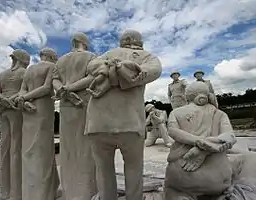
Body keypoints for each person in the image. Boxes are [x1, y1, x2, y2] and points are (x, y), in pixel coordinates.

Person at [85, 29, 162, 200]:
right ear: (140, 42)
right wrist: (122, 73)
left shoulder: (107, 54)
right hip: (130, 123)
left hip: (98, 123)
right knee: (134, 170)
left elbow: (91, 67)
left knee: (103, 171)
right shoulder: (149, 57)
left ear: (122, 41)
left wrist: (111, 70)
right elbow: (149, 73)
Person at [164, 81, 237, 200]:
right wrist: (206, 147)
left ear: (187, 96)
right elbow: (230, 137)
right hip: (217, 180)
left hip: (182, 176)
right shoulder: (219, 114)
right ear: (206, 96)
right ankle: (220, 194)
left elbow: (172, 131)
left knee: (172, 189)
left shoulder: (176, 113)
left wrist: (200, 144)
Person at [52, 32, 98, 200]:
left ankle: (70, 191)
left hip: (65, 106)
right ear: (83, 42)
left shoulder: (61, 60)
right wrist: (70, 89)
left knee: (68, 147)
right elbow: (93, 76)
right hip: (84, 104)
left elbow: (55, 80)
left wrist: (63, 89)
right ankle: (87, 191)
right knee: (86, 147)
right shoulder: (91, 56)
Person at [15, 48, 60, 200]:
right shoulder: (52, 67)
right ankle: (43, 194)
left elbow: (22, 90)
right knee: (43, 150)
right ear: (51, 56)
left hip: (28, 110)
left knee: (30, 150)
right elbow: (47, 88)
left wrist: (23, 99)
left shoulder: (29, 69)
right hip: (42, 108)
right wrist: (26, 98)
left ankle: (33, 192)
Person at [0, 49, 30, 200]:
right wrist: (11, 100)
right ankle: (17, 192)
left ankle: (5, 192)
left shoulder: (3, 74)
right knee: (17, 148)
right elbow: (25, 91)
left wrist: (3, 99)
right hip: (16, 110)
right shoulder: (25, 73)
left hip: (4, 110)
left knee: (5, 148)